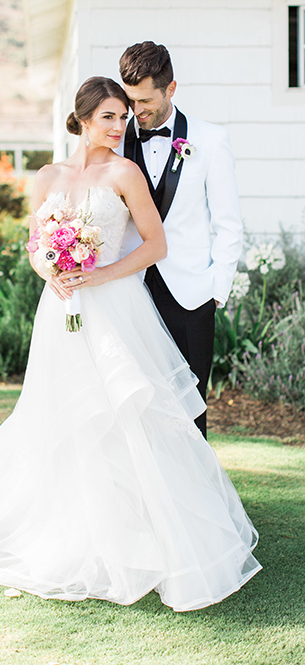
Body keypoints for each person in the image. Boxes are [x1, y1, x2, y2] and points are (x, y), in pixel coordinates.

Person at [0, 77, 261, 611]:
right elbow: (32, 247)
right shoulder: (47, 176)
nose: (121, 127)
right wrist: (50, 270)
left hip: (114, 308)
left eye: (124, 117)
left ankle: (142, 530)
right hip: (60, 310)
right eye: (110, 118)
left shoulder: (125, 172)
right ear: (83, 119)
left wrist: (102, 274)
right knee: (61, 411)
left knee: (122, 412)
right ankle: (67, 524)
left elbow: (156, 244)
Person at [118, 42, 243, 439]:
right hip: (127, 291)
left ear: (171, 89)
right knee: (131, 402)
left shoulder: (210, 140)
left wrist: (215, 292)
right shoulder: (115, 141)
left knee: (190, 407)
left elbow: (229, 224)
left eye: (144, 100)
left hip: (191, 294)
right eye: (129, 99)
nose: (136, 110)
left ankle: (196, 497)